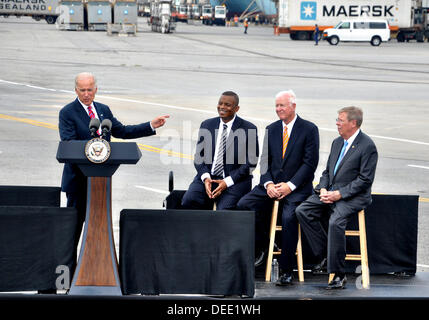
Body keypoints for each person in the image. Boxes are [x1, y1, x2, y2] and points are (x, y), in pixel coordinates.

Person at [59, 72, 169, 266]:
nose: (86, 94)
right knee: (73, 230)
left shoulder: (103, 110)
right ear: (75, 90)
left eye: (90, 89)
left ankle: (98, 269)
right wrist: (96, 146)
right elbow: (69, 143)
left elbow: (122, 131)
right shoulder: (68, 112)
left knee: (98, 228)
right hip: (78, 181)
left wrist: (150, 126)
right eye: (82, 90)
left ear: (96, 89)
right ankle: (67, 276)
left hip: (101, 181)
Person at [237, 90, 319, 286]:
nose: (278, 109)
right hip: (271, 185)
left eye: (282, 105)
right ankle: (264, 245)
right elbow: (264, 162)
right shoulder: (272, 129)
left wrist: (289, 186)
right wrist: (269, 184)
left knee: (289, 217)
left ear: (293, 106)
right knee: (244, 205)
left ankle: (286, 270)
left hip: (296, 188)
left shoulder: (309, 129)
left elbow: (310, 164)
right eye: (276, 106)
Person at [296, 106, 378, 290]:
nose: (337, 123)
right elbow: (327, 172)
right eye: (337, 119)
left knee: (336, 222)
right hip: (331, 191)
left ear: (353, 123)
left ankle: (338, 274)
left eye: (340, 120)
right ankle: (326, 253)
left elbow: (365, 180)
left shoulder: (367, 146)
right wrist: (323, 188)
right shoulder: (337, 142)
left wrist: (339, 194)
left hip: (352, 196)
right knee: (303, 211)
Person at [181, 91, 259, 210]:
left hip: (234, 180)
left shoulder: (249, 128)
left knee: (224, 211)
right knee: (189, 200)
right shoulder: (207, 124)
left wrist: (227, 182)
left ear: (236, 108)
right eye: (220, 103)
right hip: (209, 177)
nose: (222, 107)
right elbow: (199, 157)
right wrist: (206, 177)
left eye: (227, 105)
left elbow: (251, 163)